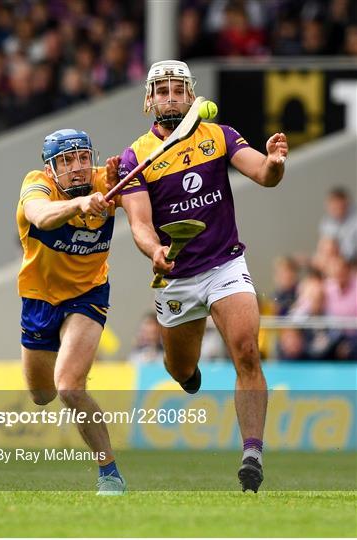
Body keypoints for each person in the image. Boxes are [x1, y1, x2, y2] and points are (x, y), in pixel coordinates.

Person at [118, 60, 288, 493]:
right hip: (177, 277)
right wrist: (153, 249)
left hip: (225, 264)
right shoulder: (135, 157)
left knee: (247, 351)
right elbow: (139, 222)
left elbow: (264, 175)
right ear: (149, 100)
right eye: (163, 91)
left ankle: (252, 452)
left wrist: (274, 162)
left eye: (179, 90)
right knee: (180, 367)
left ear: (192, 96)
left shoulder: (219, 136)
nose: (171, 97)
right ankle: (187, 374)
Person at [16, 128, 126, 495]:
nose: (77, 168)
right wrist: (79, 205)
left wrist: (124, 190)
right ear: (50, 169)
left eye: (82, 158)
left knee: (69, 387)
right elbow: (41, 216)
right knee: (42, 394)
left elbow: (145, 201)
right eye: (66, 161)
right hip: (39, 299)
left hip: (88, 293)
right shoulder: (36, 185)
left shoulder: (104, 179)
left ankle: (109, 473)